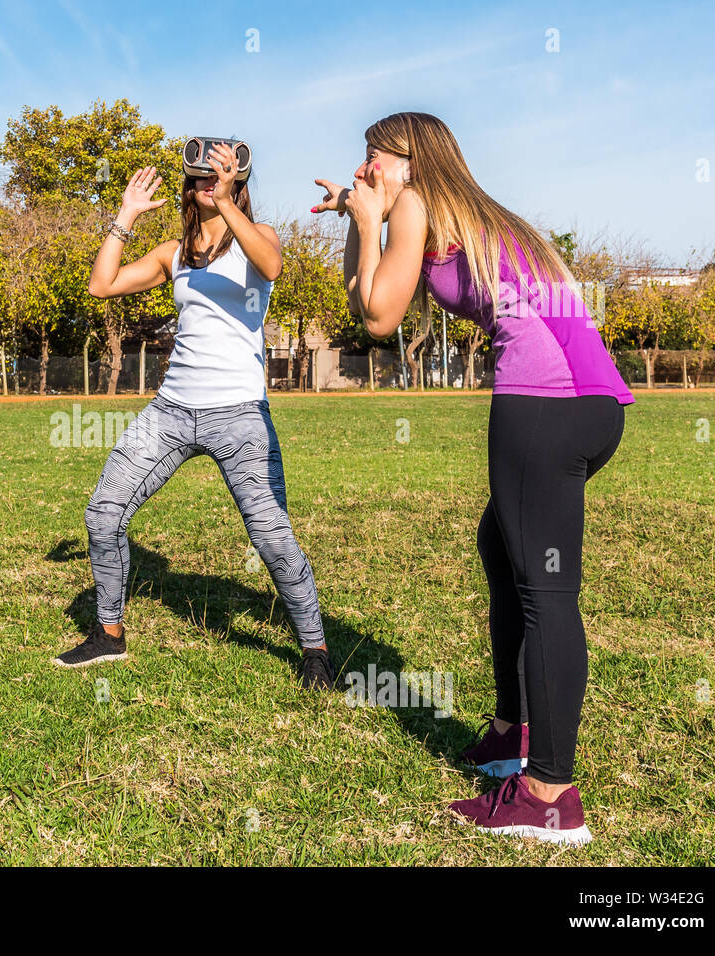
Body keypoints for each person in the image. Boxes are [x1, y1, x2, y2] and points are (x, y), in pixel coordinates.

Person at [313, 112, 632, 844]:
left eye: (374, 161)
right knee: (504, 548)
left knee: (546, 591)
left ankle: (550, 794)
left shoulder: (420, 203)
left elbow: (379, 317)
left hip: (544, 408)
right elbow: (366, 299)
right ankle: (508, 734)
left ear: (412, 161)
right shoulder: (476, 215)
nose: (365, 173)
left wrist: (367, 223)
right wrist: (358, 221)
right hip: (591, 407)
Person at [54, 141, 335, 690]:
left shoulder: (260, 240)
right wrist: (125, 217)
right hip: (172, 410)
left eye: (220, 178)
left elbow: (272, 264)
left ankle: (316, 650)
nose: (207, 185)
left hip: (240, 414)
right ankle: (109, 635)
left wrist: (227, 200)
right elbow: (100, 285)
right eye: (201, 179)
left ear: (236, 185)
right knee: (103, 514)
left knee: (272, 537)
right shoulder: (173, 253)